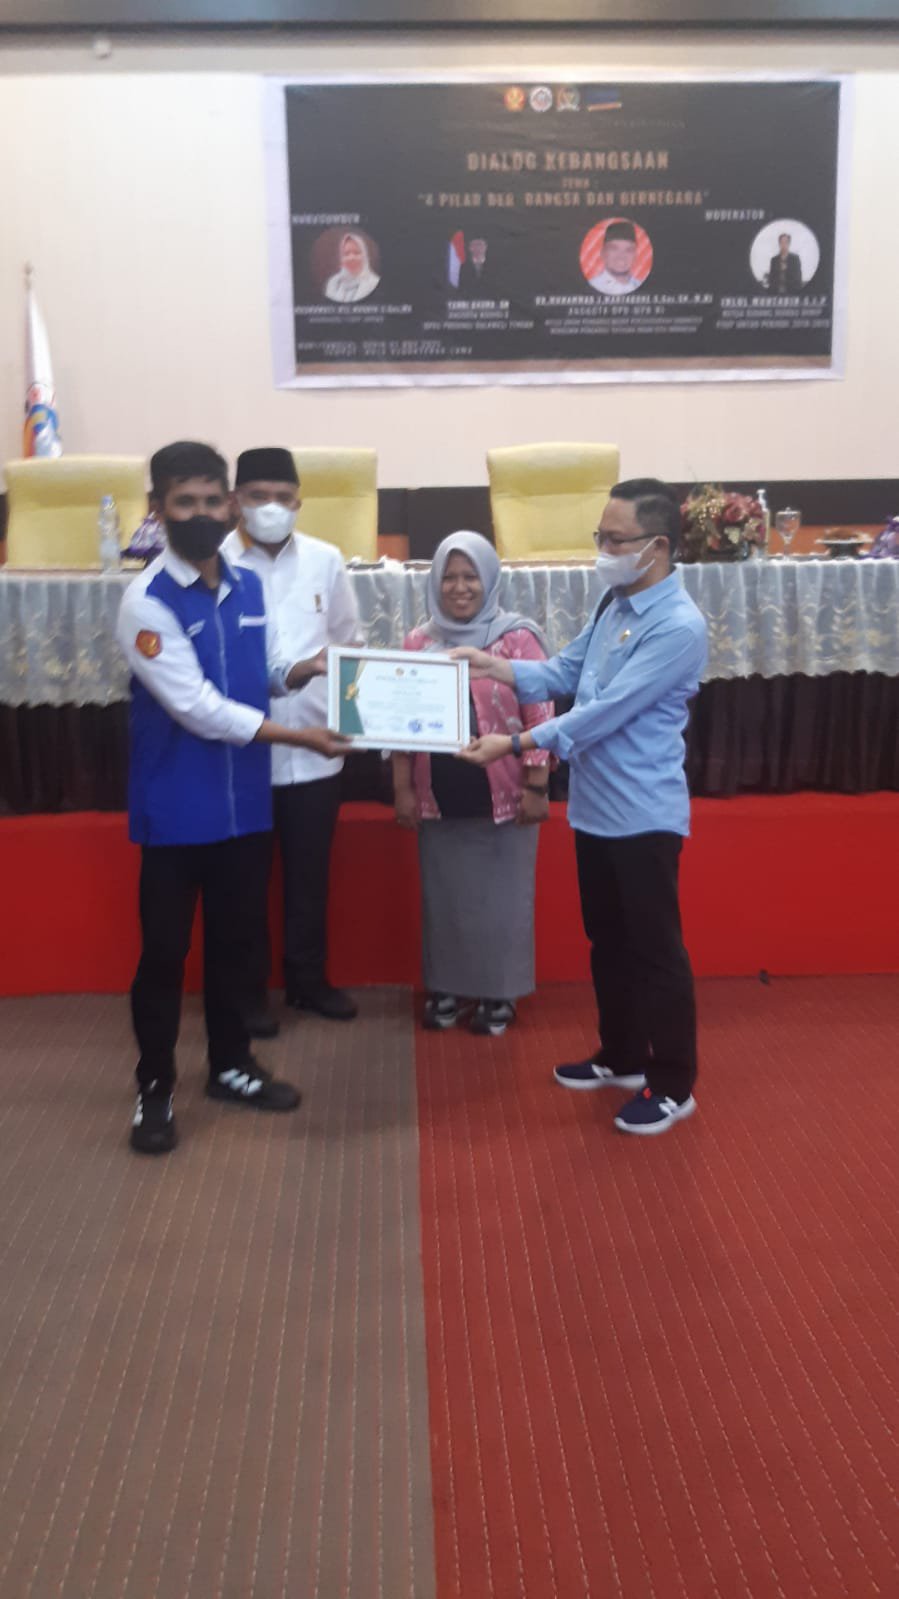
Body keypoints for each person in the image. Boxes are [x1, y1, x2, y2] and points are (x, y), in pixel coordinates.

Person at [116, 441, 349, 1156]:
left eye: (211, 501)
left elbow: (264, 667)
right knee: (164, 955)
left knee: (234, 946)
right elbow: (198, 707)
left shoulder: (245, 584)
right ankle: (154, 1088)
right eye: (184, 502)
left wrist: (305, 669)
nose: (201, 514)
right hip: (176, 809)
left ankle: (230, 1066)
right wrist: (299, 736)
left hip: (245, 806)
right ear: (158, 509)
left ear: (229, 506)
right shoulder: (146, 601)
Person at [455, 480, 708, 1135]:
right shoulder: (613, 601)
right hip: (595, 808)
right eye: (601, 536)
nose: (603, 550)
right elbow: (568, 671)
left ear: (657, 546)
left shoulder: (677, 626)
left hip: (643, 812)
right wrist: (493, 665)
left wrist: (516, 742)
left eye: (615, 540)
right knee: (608, 940)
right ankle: (621, 1054)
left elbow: (603, 712)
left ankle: (673, 1081)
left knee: (655, 949)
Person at [393, 532, 554, 1036]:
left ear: (489, 580)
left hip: (504, 793)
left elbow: (541, 713)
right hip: (439, 793)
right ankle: (445, 988)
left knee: (502, 903)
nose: (459, 588)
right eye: (449, 577)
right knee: (445, 903)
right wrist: (402, 788)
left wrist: (537, 785)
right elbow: (399, 726)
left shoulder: (517, 638)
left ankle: (498, 994)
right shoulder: (418, 642)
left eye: (471, 577)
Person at [222, 446, 362, 1028]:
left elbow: (348, 643)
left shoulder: (326, 560)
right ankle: (248, 994)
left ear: (300, 501)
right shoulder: (215, 562)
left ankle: (308, 981)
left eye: (283, 497)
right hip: (244, 750)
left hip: (316, 747)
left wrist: (356, 723)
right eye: (259, 496)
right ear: (236, 501)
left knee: (310, 878)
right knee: (244, 883)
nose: (272, 507)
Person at [588, 220, 643, 295]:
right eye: (614, 249)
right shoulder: (592, 286)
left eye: (629, 250)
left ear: (635, 255)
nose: (621, 256)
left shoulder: (641, 286)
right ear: (602, 253)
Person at [323, 232, 380, 303]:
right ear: (341, 258)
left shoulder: (373, 282)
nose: (351, 258)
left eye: (356, 253)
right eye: (346, 254)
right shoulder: (334, 282)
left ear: (365, 256)